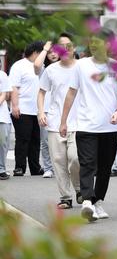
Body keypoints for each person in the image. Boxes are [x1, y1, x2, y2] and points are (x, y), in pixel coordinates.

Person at [61, 32, 117, 222]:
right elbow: (71, 93)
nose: (93, 46)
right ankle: (87, 202)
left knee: (105, 167)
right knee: (87, 163)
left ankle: (98, 201)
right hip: (86, 125)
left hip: (110, 126)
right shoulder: (81, 65)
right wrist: (63, 121)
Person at [37, 33, 81, 208]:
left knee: (75, 158)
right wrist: (41, 112)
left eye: (68, 45)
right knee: (59, 160)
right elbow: (41, 92)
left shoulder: (82, 67)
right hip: (55, 122)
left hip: (79, 122)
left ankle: (79, 188)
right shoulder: (51, 70)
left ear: (74, 47)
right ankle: (65, 197)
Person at [9, 41, 45, 176]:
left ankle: (35, 168)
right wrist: (15, 106)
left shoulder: (41, 66)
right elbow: (14, 87)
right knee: (23, 139)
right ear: (36, 52)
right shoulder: (19, 66)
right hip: (22, 109)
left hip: (37, 110)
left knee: (36, 140)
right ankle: (19, 167)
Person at [34, 40, 60, 178]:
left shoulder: (68, 67)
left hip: (64, 109)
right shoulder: (45, 70)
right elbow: (36, 65)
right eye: (50, 53)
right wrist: (45, 49)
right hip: (47, 110)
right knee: (45, 141)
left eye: (56, 51)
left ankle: (63, 167)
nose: (53, 54)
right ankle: (48, 167)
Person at [0, 69, 12, 180]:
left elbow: (5, 94)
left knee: (3, 143)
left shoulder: (2, 75)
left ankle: (1, 169)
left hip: (2, 117)